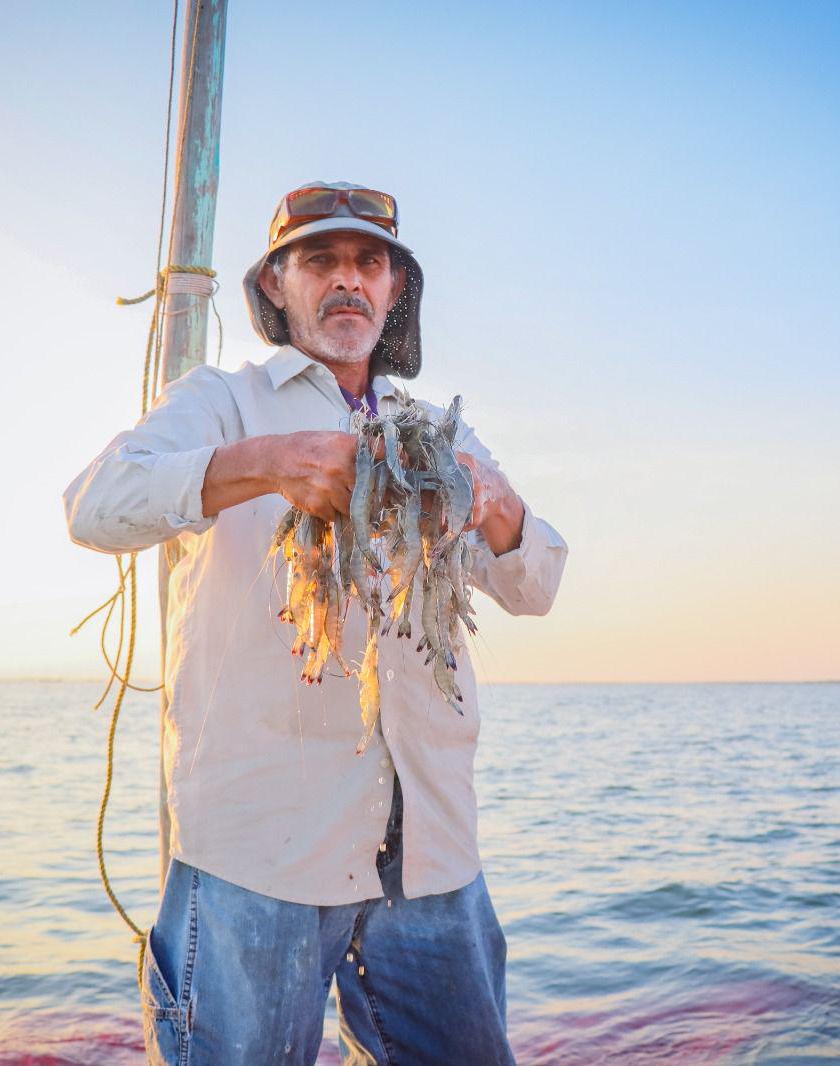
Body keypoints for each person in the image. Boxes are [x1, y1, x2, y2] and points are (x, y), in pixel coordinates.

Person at [63, 181, 567, 1065]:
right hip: (259, 857)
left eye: (369, 263)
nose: (348, 280)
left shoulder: (435, 430)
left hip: (433, 855)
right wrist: (261, 464)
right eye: (320, 261)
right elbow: (94, 504)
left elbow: (538, 585)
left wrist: (497, 504)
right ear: (277, 285)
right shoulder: (222, 402)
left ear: (394, 289)